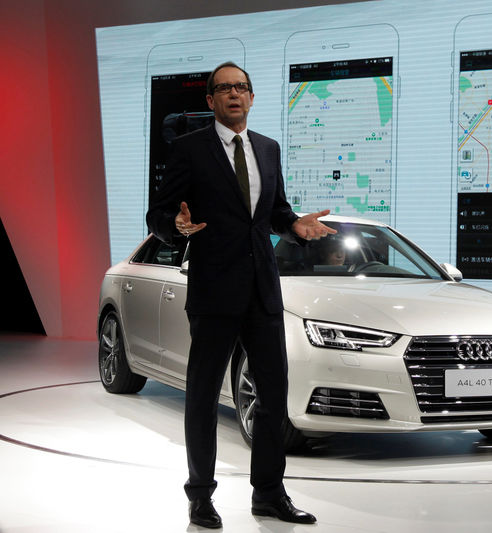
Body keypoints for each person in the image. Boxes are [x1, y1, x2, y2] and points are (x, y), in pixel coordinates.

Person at [146, 61, 335, 529]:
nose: (234, 94)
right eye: (224, 89)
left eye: (242, 87)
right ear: (210, 101)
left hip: (264, 292)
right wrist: (176, 226)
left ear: (252, 97)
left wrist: (294, 226)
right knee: (205, 396)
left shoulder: (268, 150)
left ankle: (268, 494)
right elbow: (158, 214)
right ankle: (200, 497)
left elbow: (275, 212)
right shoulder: (189, 149)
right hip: (213, 291)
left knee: (273, 395)